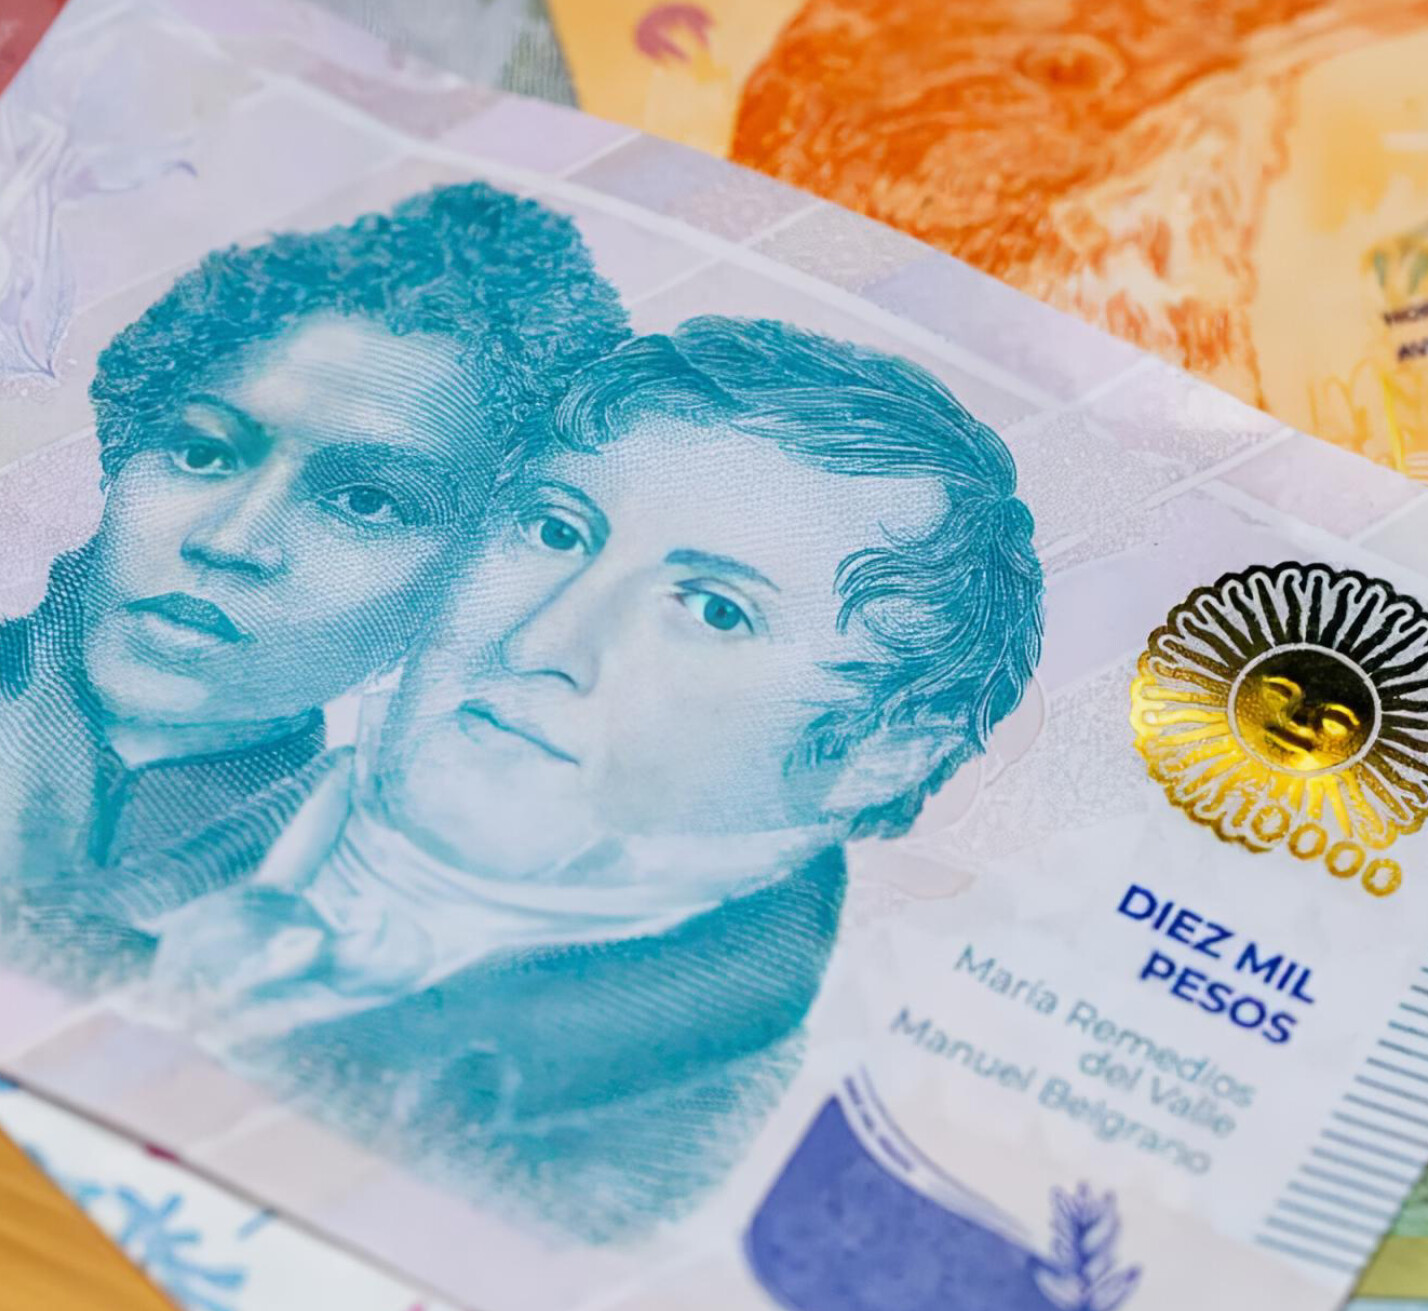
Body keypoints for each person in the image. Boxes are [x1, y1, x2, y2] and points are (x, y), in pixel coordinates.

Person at [139, 317, 1047, 1243]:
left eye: (714, 610)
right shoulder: (143, 800)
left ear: (879, 755)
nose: (540, 640)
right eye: (554, 529)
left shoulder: (640, 1163)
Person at [0, 183, 631, 985]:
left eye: (366, 502)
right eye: (202, 452)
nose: (230, 541)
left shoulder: (389, 920)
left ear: (473, 576)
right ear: (122, 457)